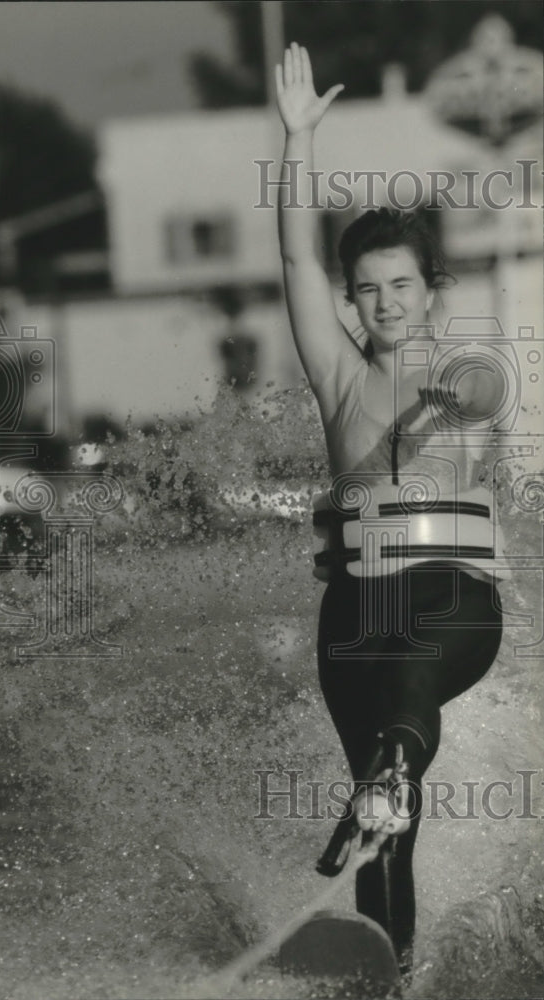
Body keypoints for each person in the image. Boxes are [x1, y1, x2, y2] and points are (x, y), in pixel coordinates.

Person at [275, 43, 508, 977]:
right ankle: (387, 974)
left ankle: (393, 773)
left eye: (400, 285)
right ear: (352, 301)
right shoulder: (337, 381)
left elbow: (487, 389)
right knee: (382, 815)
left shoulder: (462, 369)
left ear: (430, 291)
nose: (383, 304)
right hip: (356, 611)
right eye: (366, 290)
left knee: (402, 708)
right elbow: (292, 250)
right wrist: (298, 142)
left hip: (451, 603)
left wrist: (437, 408)